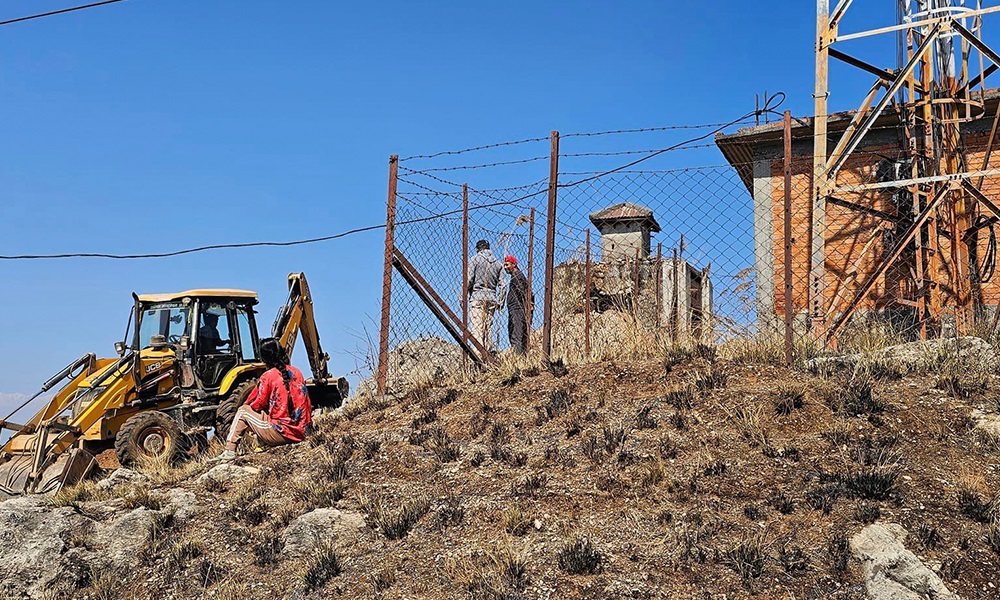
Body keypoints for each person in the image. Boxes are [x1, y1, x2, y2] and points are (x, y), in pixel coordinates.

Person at [214, 337, 312, 462]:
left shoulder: (268, 376)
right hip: (303, 432)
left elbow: (257, 404)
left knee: (243, 411)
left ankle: (229, 450)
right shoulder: (297, 372)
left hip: (283, 434)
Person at [467, 239, 503, 351]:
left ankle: (478, 358)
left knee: (477, 329)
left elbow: (469, 280)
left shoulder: (475, 259)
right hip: (491, 298)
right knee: (488, 330)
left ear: (477, 249)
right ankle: (487, 356)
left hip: (477, 297)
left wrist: (463, 296)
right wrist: (500, 302)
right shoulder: (497, 263)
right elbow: (503, 285)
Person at [503, 255, 530, 354]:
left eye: (507, 264)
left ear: (514, 264)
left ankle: (518, 357)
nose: (505, 267)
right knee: (514, 333)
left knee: (516, 334)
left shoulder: (517, 276)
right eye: (504, 265)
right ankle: (520, 356)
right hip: (515, 308)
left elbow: (522, 291)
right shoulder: (516, 276)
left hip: (517, 308)